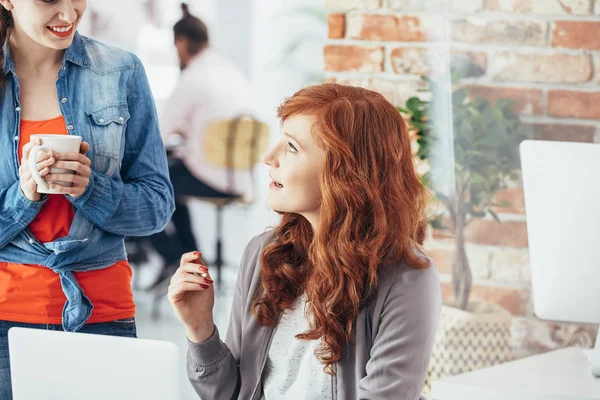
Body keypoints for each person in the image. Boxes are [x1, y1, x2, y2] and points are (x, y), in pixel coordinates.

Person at [168, 83, 443, 399]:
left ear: (345, 171)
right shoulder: (264, 253)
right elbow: (231, 394)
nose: (269, 157)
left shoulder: (407, 278)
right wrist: (200, 328)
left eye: (292, 147)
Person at [0, 0, 174, 398]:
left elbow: (157, 206)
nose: (68, 14)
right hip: (5, 318)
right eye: (48, 0)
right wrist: (24, 194)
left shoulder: (121, 72)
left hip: (103, 315)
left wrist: (90, 189)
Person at [147, 3, 253, 288]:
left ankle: (172, 258)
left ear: (181, 42)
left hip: (211, 176)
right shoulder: (229, 72)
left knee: (144, 184)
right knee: (171, 188)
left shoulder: (193, 78)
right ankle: (191, 263)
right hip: (239, 175)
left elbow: (159, 133)